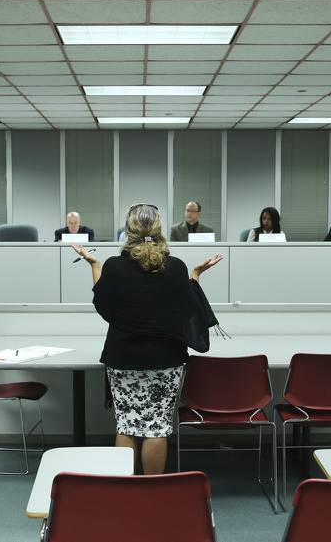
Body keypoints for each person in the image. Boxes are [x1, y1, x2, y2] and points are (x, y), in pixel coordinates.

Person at [71, 203, 222, 475]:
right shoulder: (175, 267)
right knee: (157, 427)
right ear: (159, 230)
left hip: (122, 357)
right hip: (166, 359)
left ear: (129, 230)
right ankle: (153, 494)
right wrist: (196, 276)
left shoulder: (114, 267)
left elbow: (104, 305)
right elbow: (186, 307)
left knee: (126, 425)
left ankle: (125, 491)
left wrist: (93, 265)